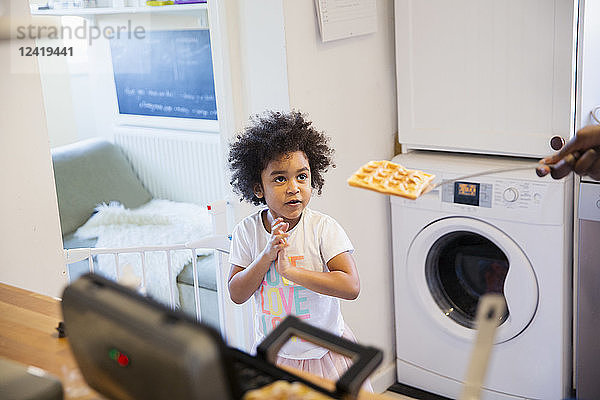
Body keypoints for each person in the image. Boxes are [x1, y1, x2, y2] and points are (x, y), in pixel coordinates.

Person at [227, 110, 371, 390]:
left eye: (302, 177)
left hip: (324, 353)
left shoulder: (323, 228)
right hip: (274, 355)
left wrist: (292, 272)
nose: (294, 188)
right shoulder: (247, 231)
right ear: (258, 188)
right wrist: (266, 255)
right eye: (280, 179)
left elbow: (351, 286)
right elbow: (236, 293)